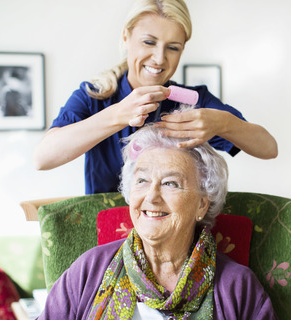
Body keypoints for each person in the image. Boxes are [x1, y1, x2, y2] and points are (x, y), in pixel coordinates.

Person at [33, 0, 278, 194]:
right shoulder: (94, 96)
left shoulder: (192, 101)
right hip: (109, 231)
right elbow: (42, 158)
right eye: (149, 42)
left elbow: (268, 148)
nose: (160, 58)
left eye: (173, 47)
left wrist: (223, 123)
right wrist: (117, 115)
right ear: (126, 37)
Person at [36, 125, 277, 319]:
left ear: (202, 204)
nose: (151, 196)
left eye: (171, 183)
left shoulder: (237, 287)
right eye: (142, 181)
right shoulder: (89, 270)